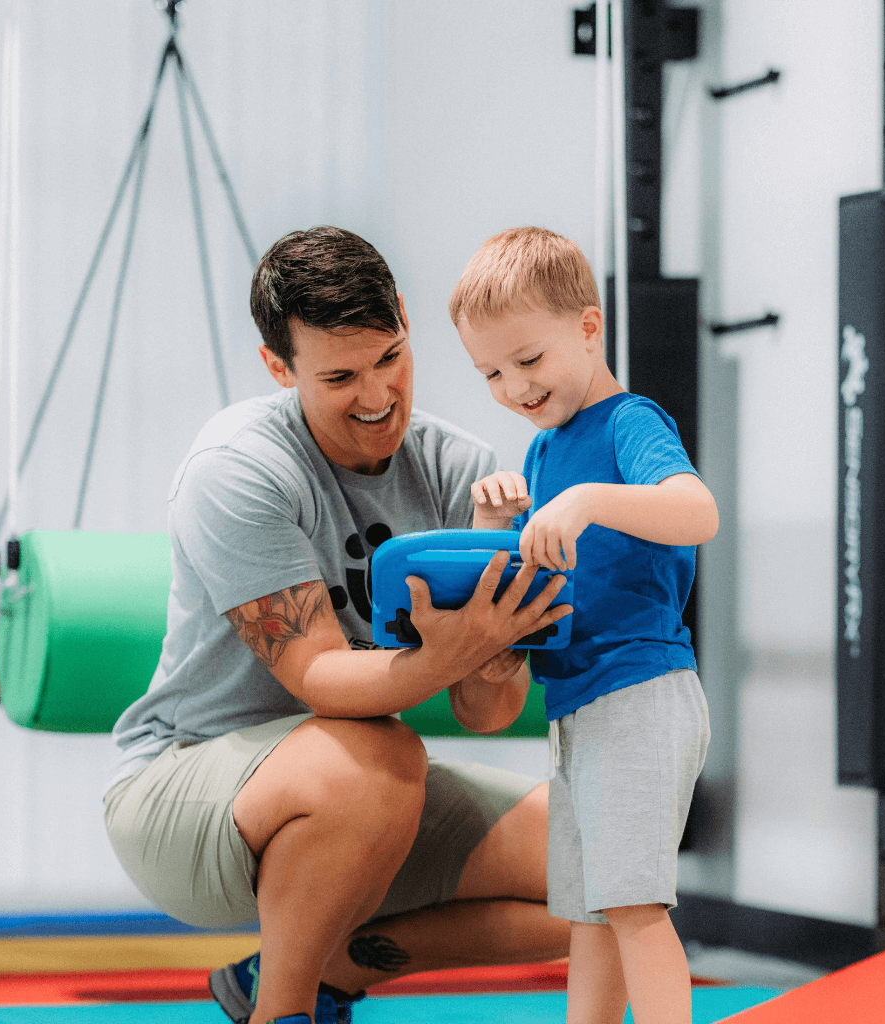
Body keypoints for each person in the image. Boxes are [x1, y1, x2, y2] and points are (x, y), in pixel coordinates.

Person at [103, 226, 577, 1024]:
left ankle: (322, 969)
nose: (377, 396)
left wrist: (493, 652)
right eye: (340, 376)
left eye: (390, 356)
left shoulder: (459, 469)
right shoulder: (238, 468)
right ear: (279, 369)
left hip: (363, 793)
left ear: (402, 318)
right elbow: (320, 678)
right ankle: (282, 1014)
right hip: (183, 792)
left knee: (604, 869)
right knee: (374, 752)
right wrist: (452, 648)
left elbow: (487, 714)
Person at [451, 226, 717, 1024]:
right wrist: (496, 525)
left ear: (589, 327)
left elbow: (696, 511)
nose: (513, 387)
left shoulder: (629, 423)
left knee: (633, 905)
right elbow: (528, 591)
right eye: (491, 372)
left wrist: (589, 499)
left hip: (640, 694)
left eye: (528, 361)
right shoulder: (541, 454)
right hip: (575, 708)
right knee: (593, 915)